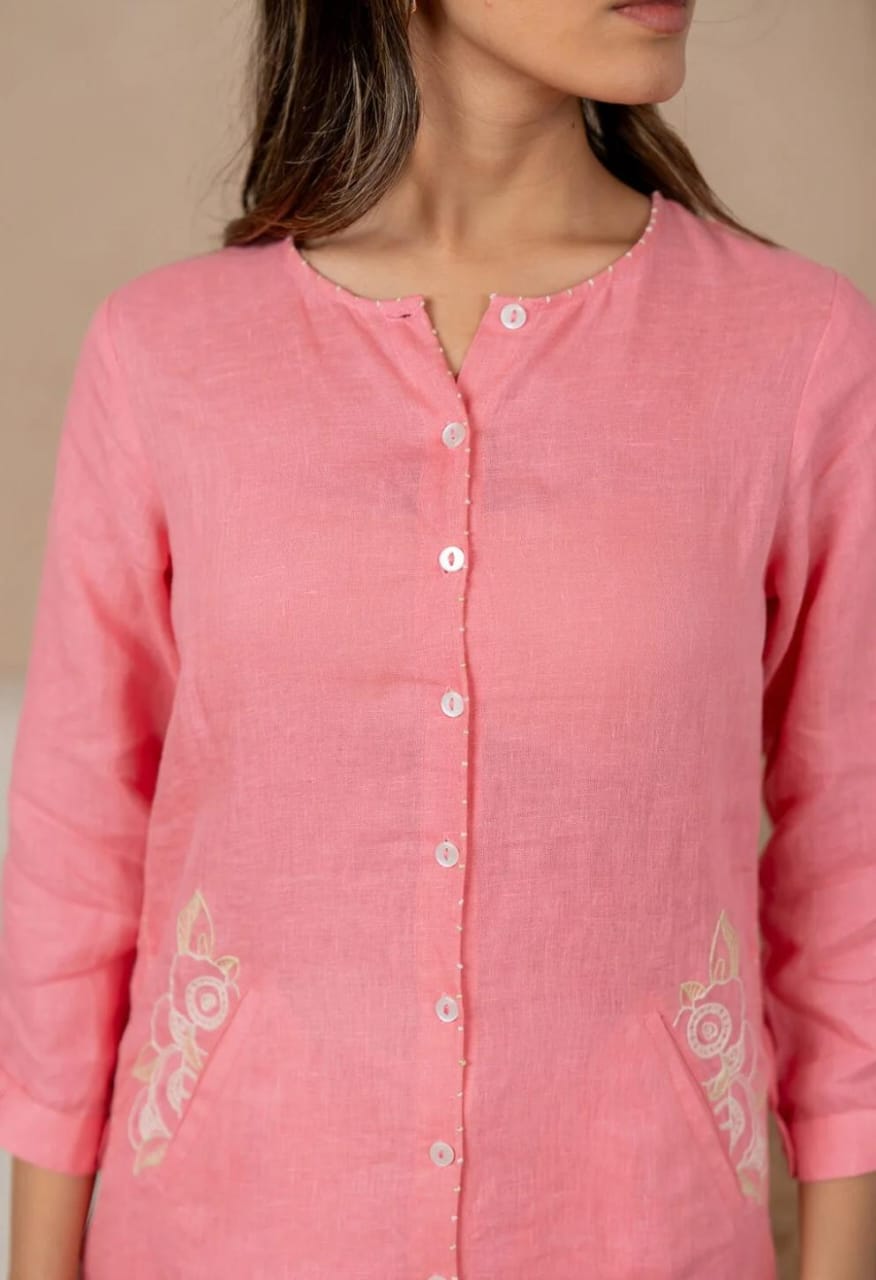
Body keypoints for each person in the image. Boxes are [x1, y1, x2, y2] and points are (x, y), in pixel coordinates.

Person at [2, 0, 876, 1276]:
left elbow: (848, 854)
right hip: (223, 1231)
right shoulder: (163, 355)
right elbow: (78, 848)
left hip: (634, 1233)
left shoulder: (793, 351)